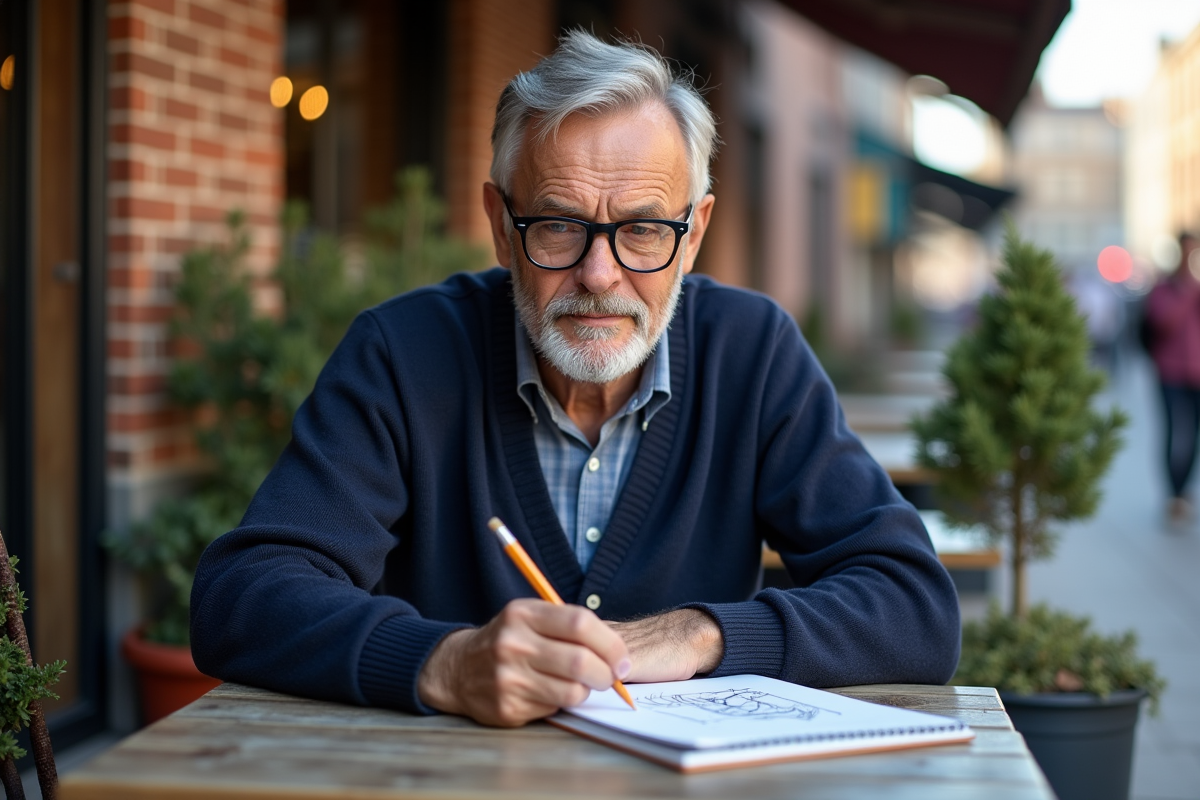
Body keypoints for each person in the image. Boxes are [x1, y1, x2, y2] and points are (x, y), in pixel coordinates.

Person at [191, 32, 960, 728]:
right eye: (559, 225)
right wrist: (442, 662)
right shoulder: (402, 354)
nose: (600, 275)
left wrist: (700, 633)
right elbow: (240, 597)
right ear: (502, 226)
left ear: (693, 234)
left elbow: (915, 605)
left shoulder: (752, 353)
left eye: (643, 230)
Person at [1145, 232, 1200, 523]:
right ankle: (1172, 493)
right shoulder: (1163, 289)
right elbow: (1164, 323)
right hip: (1169, 372)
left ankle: (1183, 491)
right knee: (1172, 431)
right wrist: (1188, 292)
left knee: (1194, 435)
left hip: (1197, 373)